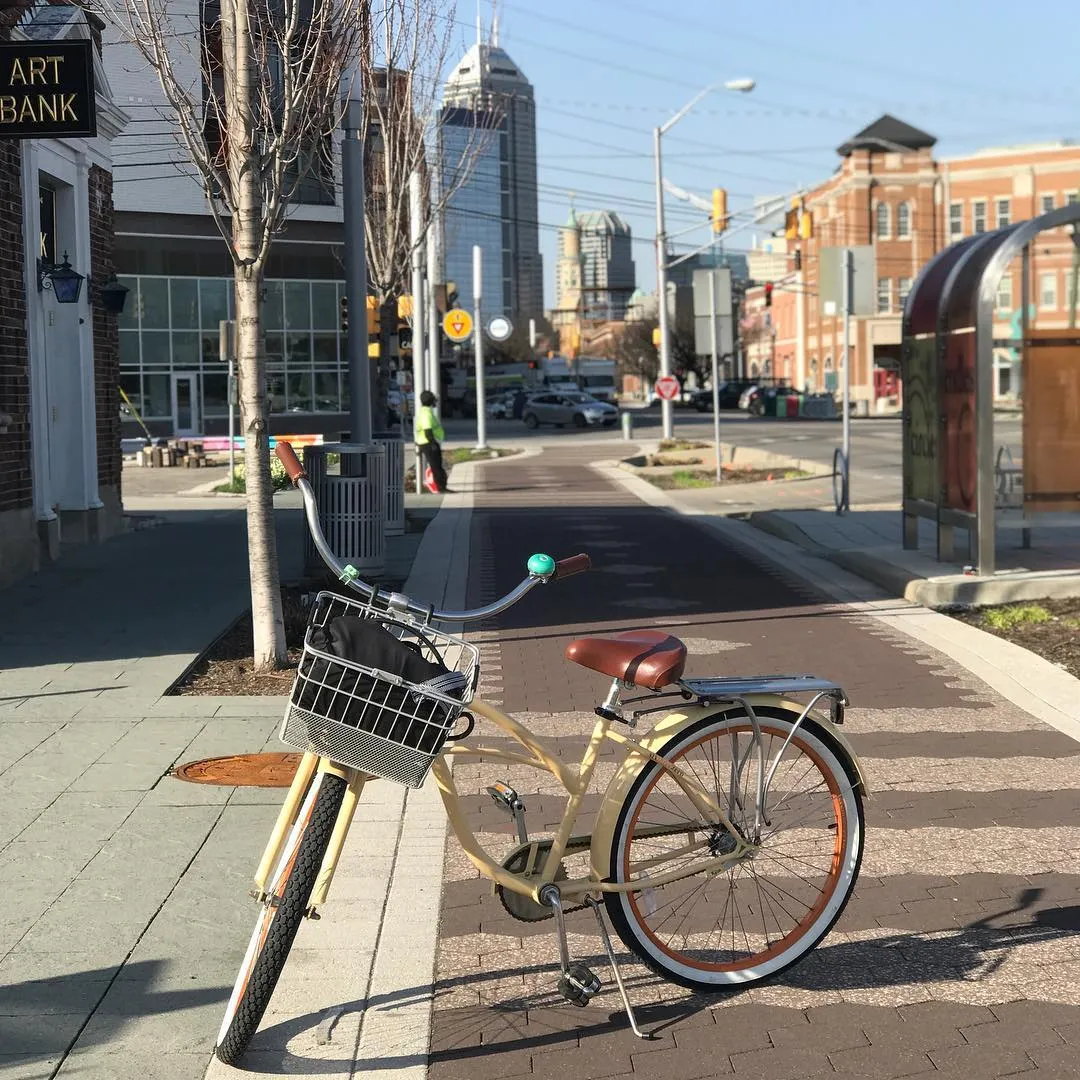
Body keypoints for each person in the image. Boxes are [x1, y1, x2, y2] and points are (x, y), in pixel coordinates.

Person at [414, 390, 449, 494]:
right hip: (428, 443)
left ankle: (442, 486)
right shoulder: (426, 414)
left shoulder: (426, 412)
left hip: (428, 442)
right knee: (436, 467)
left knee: (437, 466)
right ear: (430, 400)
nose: (435, 402)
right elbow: (427, 430)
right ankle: (441, 488)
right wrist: (433, 443)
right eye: (433, 399)